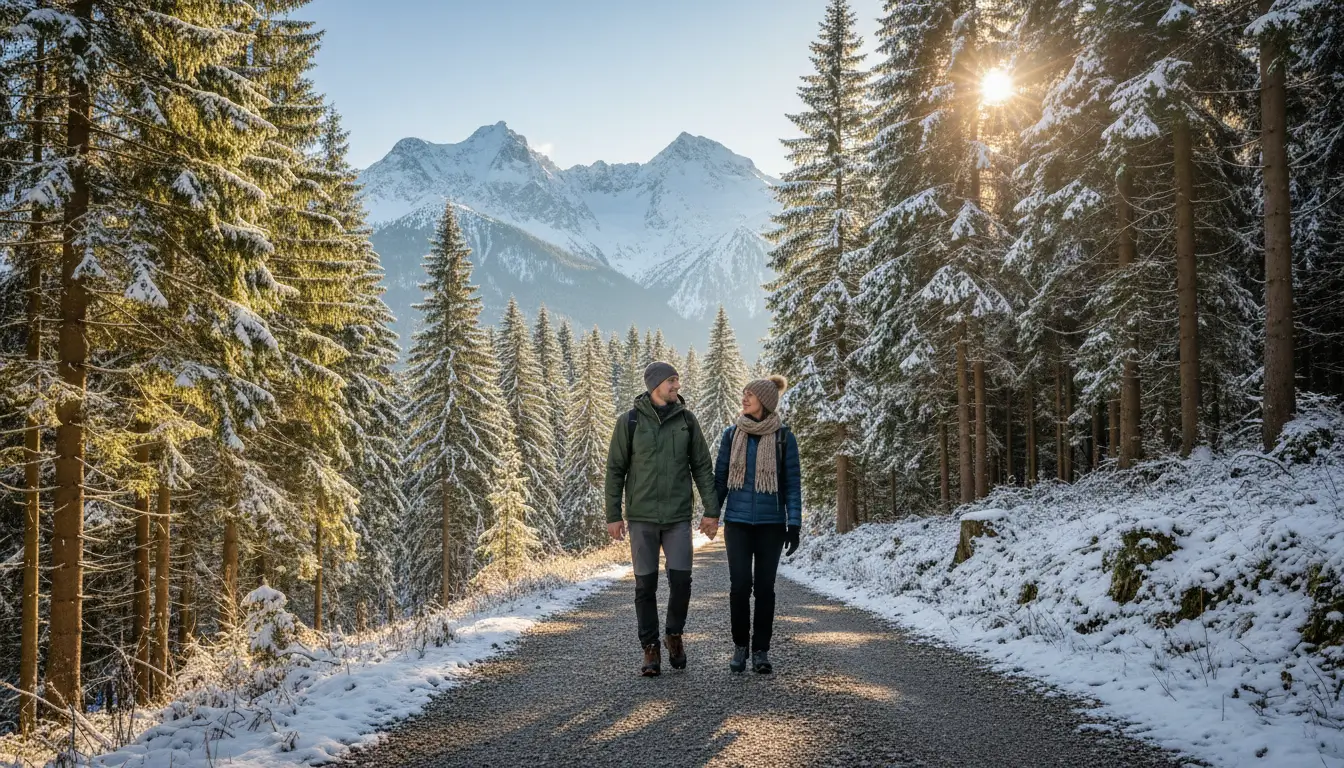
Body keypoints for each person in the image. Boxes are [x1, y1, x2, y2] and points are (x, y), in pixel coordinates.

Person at [606, 361, 719, 676]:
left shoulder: (687, 421)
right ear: (655, 385)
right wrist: (613, 515)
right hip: (641, 518)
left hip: (677, 518)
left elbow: (702, 467)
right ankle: (650, 648)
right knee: (645, 586)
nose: (677, 386)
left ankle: (673, 634)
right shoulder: (628, 422)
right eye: (672, 381)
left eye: (678, 381)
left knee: (681, 582)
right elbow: (615, 471)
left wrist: (712, 511)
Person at [714, 375, 802, 674]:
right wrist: (711, 514)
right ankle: (740, 647)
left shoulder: (783, 437)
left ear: (764, 400)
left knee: (765, 589)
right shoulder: (731, 435)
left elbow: (792, 484)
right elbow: (721, 479)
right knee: (739, 586)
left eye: (749, 394)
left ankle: (761, 651)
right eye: (743, 394)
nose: (744, 398)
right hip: (737, 523)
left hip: (771, 525)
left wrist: (795, 524)